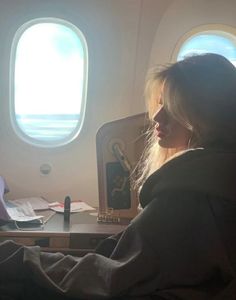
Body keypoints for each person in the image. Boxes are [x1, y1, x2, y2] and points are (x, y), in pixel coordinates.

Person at [0, 53, 236, 300]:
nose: (157, 117)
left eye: (172, 107)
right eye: (160, 103)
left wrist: (21, 258)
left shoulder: (188, 196)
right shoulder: (217, 175)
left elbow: (113, 278)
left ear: (206, 116)